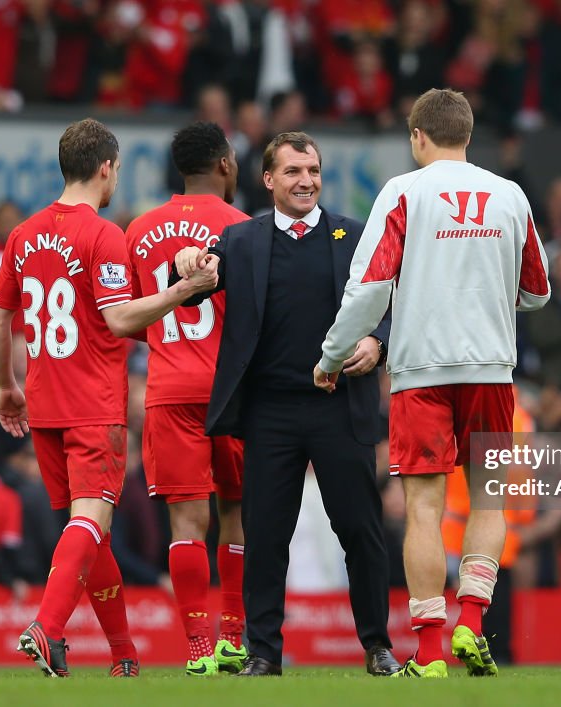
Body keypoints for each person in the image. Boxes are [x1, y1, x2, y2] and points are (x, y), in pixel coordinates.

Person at [314, 88, 551, 678]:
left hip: (421, 374)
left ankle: (430, 650)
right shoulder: (511, 195)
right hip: (491, 371)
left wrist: (331, 355)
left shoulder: (403, 192)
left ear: (417, 137)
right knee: (488, 498)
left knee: (424, 508)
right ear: (467, 136)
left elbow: (368, 287)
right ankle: (473, 619)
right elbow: (538, 290)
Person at [0, 118, 216, 678]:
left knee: (91, 532)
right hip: (92, 404)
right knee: (90, 522)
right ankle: (47, 627)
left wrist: (5, 388)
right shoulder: (103, 234)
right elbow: (116, 319)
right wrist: (182, 291)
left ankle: (123, 655)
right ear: (107, 168)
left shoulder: (22, 235)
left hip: (42, 404)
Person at [172, 131, 400, 677]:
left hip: (338, 404)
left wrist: (379, 340)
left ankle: (377, 645)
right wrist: (183, 262)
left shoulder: (353, 234)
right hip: (269, 412)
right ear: (268, 179)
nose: (306, 181)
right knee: (266, 535)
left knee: (361, 531)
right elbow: (194, 283)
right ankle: (264, 652)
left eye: (314, 171)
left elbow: (392, 296)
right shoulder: (241, 239)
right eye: (294, 171)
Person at [125, 122, 249, 676]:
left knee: (187, 525)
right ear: (225, 164)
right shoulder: (246, 228)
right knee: (238, 514)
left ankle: (197, 649)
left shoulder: (140, 229)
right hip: (234, 391)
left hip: (170, 389)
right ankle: (234, 638)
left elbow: (127, 316)